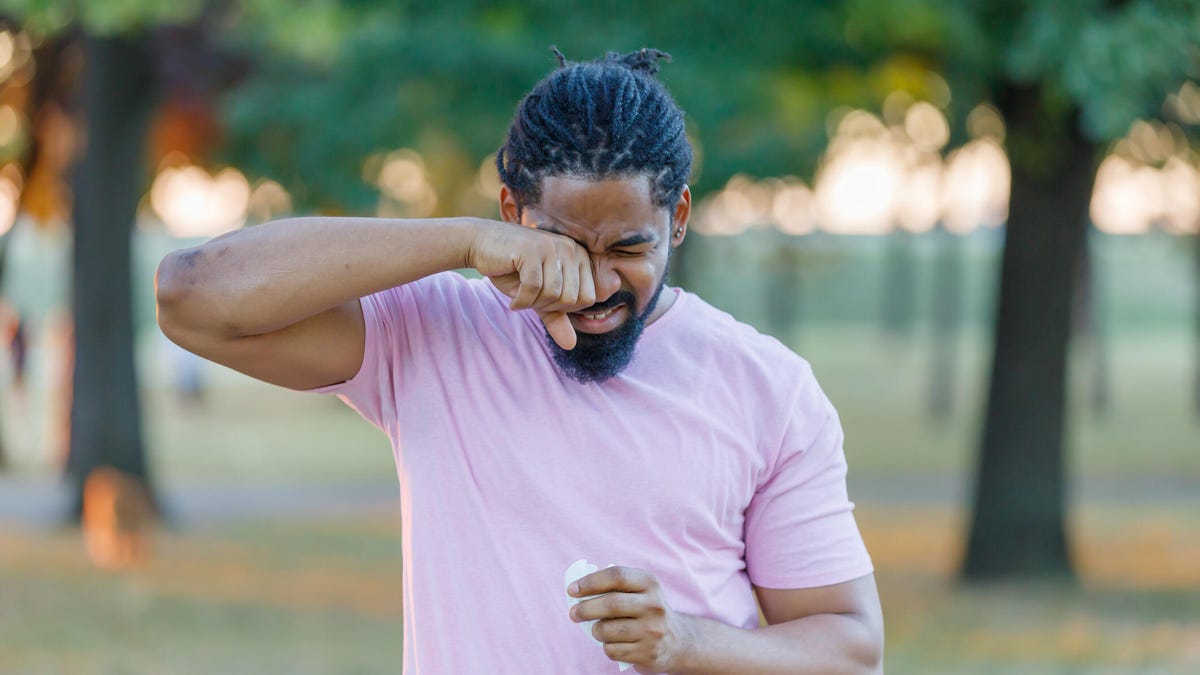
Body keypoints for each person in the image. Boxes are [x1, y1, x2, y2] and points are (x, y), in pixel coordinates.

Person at [155, 48, 883, 674]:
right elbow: (190, 296)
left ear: (680, 217)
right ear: (513, 211)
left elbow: (851, 648)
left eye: (629, 249)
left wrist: (687, 642)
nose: (596, 284)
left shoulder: (769, 389)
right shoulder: (434, 331)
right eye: (565, 246)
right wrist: (463, 243)